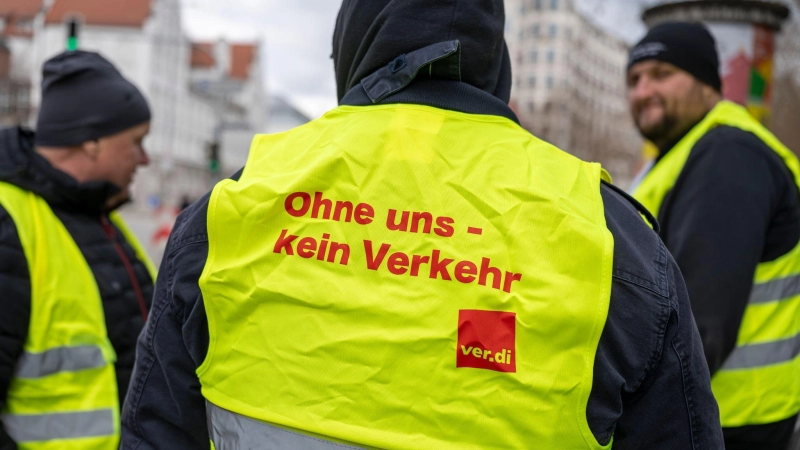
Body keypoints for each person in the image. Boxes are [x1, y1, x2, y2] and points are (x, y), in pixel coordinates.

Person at [121, 2, 723, 448]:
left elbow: (158, 429)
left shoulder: (238, 204)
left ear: (352, 49)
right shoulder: (608, 236)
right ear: (495, 62)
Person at [627, 22, 800, 450]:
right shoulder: (685, 154)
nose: (643, 90)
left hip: (722, 422)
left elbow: (700, 324)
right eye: (634, 79)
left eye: (662, 73)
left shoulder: (728, 156)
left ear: (707, 83)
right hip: (710, 415)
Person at [0, 51, 156, 449]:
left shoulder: (100, 216)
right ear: (92, 141)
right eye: (136, 142)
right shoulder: (10, 223)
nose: (144, 158)